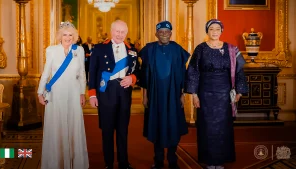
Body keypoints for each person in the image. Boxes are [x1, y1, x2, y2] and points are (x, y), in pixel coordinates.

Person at [184, 19, 249, 169]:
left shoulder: (231, 49)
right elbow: (193, 72)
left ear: (221, 31)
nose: (214, 31)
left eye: (217, 29)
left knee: (223, 127)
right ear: (207, 31)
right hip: (205, 93)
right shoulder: (200, 49)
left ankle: (220, 161)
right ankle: (209, 160)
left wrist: (239, 91)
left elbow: (239, 71)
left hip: (224, 95)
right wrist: (194, 94)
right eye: (211, 29)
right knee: (206, 127)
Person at [37, 21, 89, 169]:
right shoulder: (52, 50)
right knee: (57, 127)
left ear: (75, 36)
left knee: (73, 126)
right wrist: (40, 92)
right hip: (56, 94)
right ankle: (56, 163)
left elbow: (82, 73)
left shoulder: (78, 50)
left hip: (73, 93)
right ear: (60, 36)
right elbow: (46, 72)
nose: (67, 37)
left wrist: (81, 92)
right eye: (65, 34)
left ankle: (74, 163)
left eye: (70, 35)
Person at [138, 21, 190, 169]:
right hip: (154, 95)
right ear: (156, 34)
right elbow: (144, 75)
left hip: (173, 94)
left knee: (173, 124)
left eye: (167, 32)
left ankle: (173, 159)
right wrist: (145, 95)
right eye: (161, 32)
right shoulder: (149, 49)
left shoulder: (177, 49)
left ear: (171, 34)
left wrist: (182, 94)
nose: (164, 34)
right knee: (156, 124)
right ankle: (158, 160)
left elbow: (182, 73)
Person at [88, 20, 138, 169]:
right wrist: (92, 94)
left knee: (123, 130)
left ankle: (123, 163)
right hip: (106, 94)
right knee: (107, 131)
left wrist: (132, 78)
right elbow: (93, 71)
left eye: (123, 32)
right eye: (117, 31)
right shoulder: (99, 49)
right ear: (111, 31)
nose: (120, 34)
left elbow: (138, 71)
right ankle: (108, 164)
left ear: (126, 33)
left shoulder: (132, 51)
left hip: (124, 94)